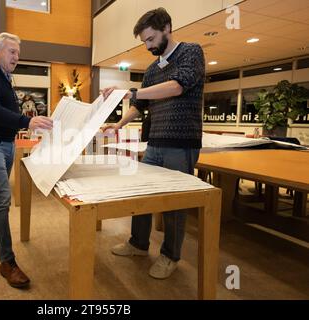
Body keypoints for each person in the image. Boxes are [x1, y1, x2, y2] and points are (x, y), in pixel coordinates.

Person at [102, 7, 205, 279]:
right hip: (155, 141)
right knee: (142, 194)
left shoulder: (191, 52)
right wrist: (119, 124)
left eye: (150, 39)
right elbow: (139, 104)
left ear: (167, 28)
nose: (147, 46)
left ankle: (170, 256)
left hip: (181, 142)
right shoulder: (151, 70)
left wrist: (130, 91)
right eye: (144, 41)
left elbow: (177, 86)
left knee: (173, 202)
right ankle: (138, 243)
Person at [0, 32, 53, 288]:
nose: (17, 56)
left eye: (18, 52)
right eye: (12, 51)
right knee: (4, 197)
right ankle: (7, 261)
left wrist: (26, 123)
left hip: (7, 143)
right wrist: (26, 121)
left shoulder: (5, 78)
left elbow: (8, 111)